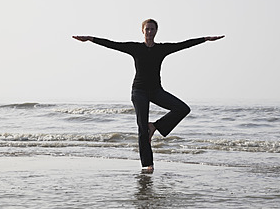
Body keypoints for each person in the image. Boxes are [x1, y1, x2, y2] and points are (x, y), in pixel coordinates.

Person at [73, 19, 224, 172]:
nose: (150, 32)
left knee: (182, 108)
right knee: (142, 129)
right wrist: (91, 39)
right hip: (139, 91)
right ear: (142, 31)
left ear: (156, 31)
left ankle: (155, 126)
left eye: (152, 29)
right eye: (147, 29)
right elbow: (113, 44)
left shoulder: (161, 49)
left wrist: (205, 39)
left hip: (156, 91)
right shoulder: (135, 48)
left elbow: (183, 44)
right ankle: (147, 165)